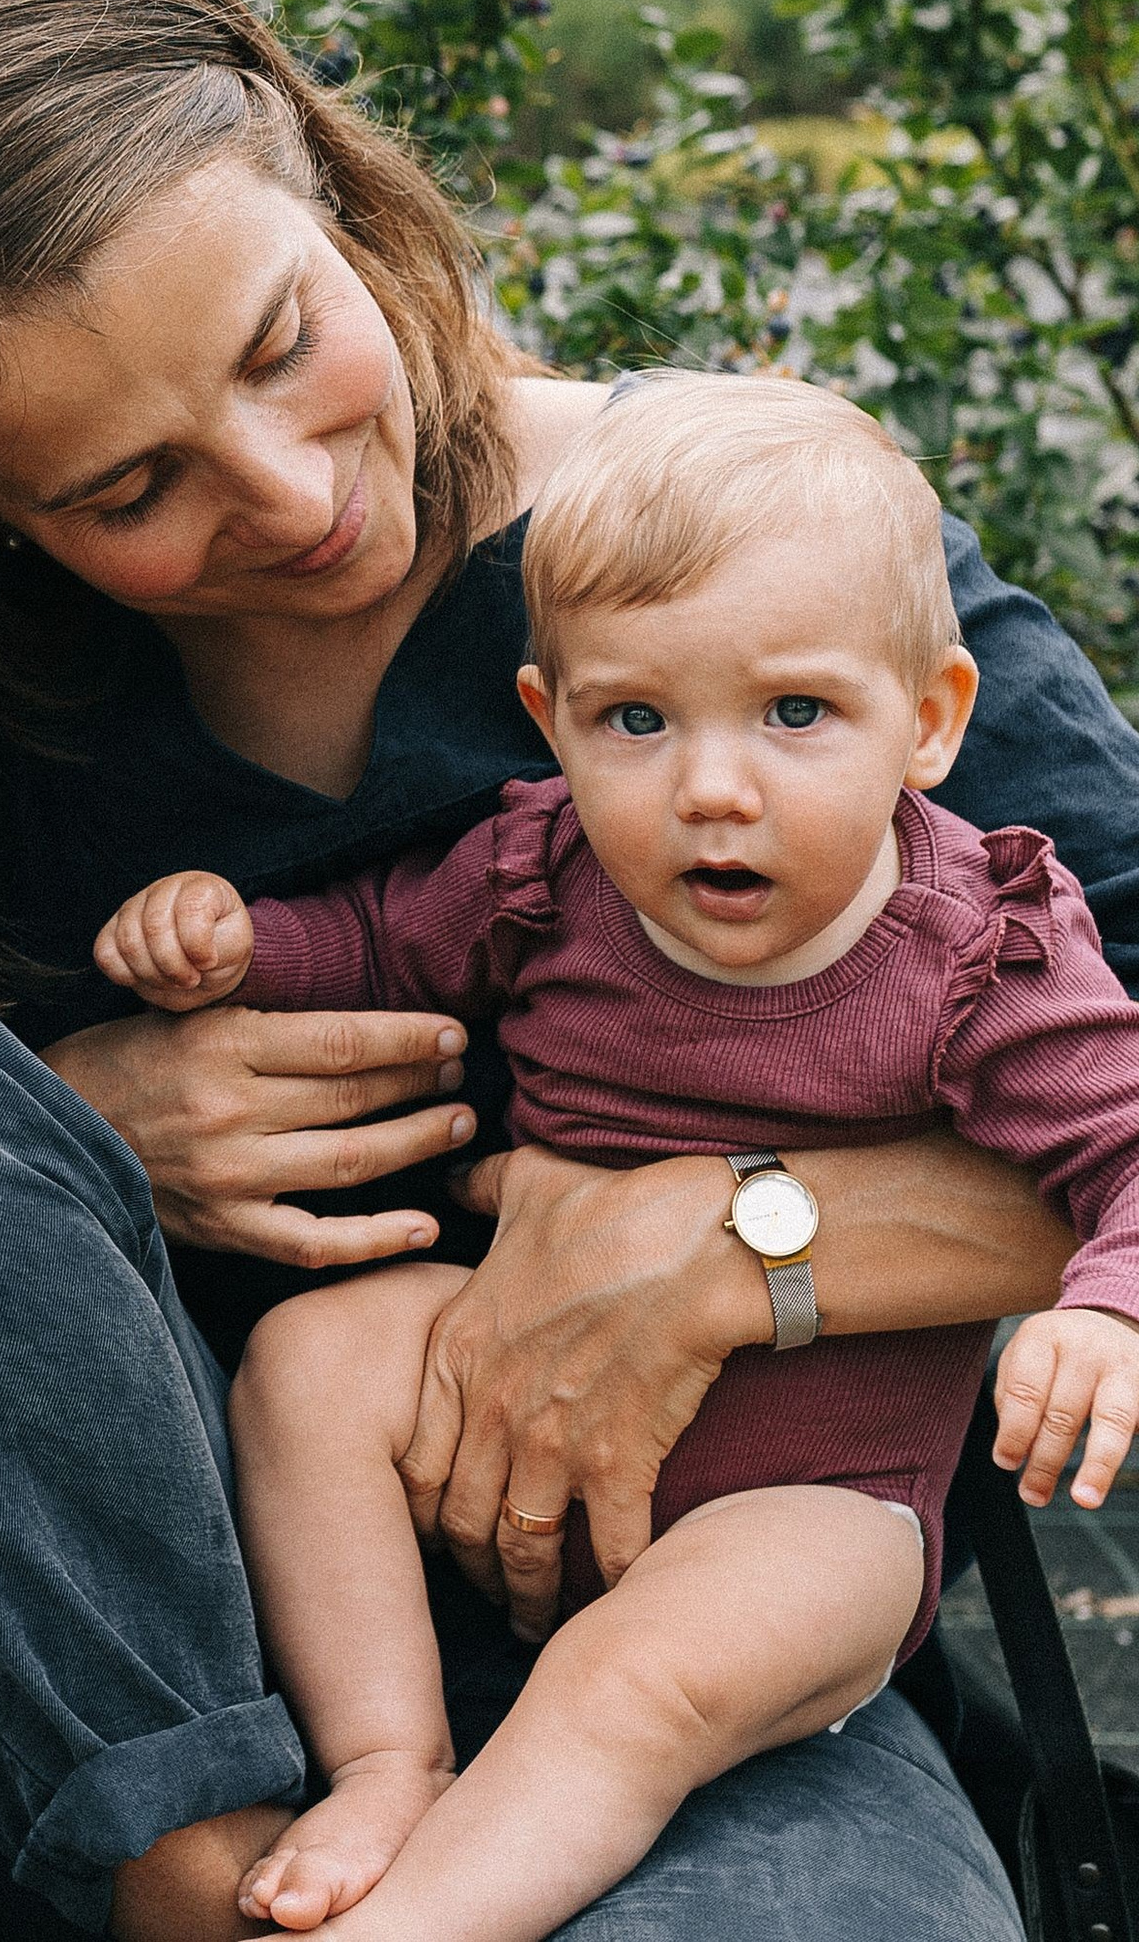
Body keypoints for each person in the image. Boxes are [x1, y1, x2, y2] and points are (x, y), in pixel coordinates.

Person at [0, 0, 1139, 1939]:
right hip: (142, 1650)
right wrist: (78, 1107)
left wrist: (733, 1241)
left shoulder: (737, 565)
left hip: (690, 1591)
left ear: (332, 188)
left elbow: (1099, 1065)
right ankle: (204, 1889)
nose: (278, 490)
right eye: (121, 484)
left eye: (278, 343)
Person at [92, 375, 1139, 1940]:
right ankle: (389, 1759)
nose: (713, 786)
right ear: (552, 719)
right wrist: (240, 945)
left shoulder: (975, 950)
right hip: (515, 1375)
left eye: (797, 714)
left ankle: (417, 1922)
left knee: (631, 1680)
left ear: (928, 722)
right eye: (637, 719)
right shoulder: (547, 867)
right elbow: (386, 935)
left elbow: (1126, 1138)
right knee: (312, 1364)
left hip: (815, 1503)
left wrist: (1107, 1309)